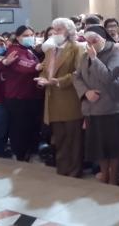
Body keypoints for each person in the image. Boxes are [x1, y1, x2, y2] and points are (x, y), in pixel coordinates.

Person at [73, 26, 119, 185]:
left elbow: (109, 77)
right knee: (99, 147)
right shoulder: (85, 56)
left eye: (94, 40)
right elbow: (76, 76)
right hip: (92, 108)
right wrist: (86, 92)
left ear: (103, 38)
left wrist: (95, 59)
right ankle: (104, 174)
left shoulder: (116, 52)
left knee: (114, 147)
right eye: (87, 41)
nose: (90, 44)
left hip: (112, 107)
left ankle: (114, 177)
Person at [37, 18, 84, 177]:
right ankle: (63, 168)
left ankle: (75, 169)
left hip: (69, 98)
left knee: (73, 138)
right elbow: (45, 69)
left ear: (69, 32)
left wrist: (60, 82)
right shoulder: (51, 49)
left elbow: (79, 73)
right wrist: (43, 79)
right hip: (53, 100)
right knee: (60, 138)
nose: (55, 33)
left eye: (59, 30)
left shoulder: (76, 48)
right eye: (54, 30)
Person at [0, 26, 44, 161]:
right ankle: (20, 153)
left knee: (30, 125)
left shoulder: (28, 50)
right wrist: (39, 66)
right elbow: (24, 66)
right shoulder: (14, 51)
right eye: (25, 35)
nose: (29, 37)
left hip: (30, 95)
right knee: (19, 127)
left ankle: (29, 150)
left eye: (31, 34)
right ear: (18, 37)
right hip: (17, 96)